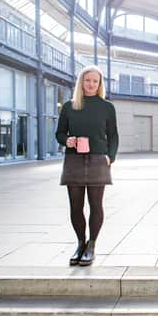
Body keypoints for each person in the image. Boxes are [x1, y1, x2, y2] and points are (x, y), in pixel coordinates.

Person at [55, 65, 118, 266]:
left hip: (98, 160)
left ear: (99, 84)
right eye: (87, 80)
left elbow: (114, 135)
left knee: (96, 205)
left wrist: (111, 157)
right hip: (73, 159)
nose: (91, 84)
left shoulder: (107, 107)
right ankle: (80, 244)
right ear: (81, 82)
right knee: (75, 205)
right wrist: (67, 141)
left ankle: (92, 245)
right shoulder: (69, 106)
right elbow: (59, 133)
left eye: (95, 81)